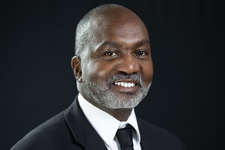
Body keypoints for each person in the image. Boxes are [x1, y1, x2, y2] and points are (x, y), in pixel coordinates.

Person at [11, 4, 186, 150]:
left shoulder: (171, 145)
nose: (130, 67)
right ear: (78, 69)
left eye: (140, 52)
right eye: (110, 53)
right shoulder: (35, 147)